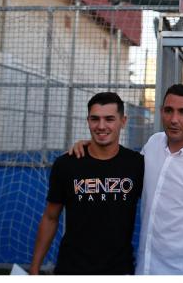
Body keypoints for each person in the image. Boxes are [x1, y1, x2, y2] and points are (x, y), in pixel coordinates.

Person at [70, 84, 183, 274]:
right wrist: (91, 146)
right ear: (161, 112)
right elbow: (123, 168)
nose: (174, 119)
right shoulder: (153, 144)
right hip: (146, 269)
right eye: (169, 110)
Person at [30, 92, 144, 275]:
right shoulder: (67, 164)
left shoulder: (137, 164)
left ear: (123, 121)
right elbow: (51, 217)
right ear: (87, 120)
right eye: (95, 119)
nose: (101, 126)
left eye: (109, 119)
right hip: (72, 268)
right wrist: (34, 268)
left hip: (119, 269)